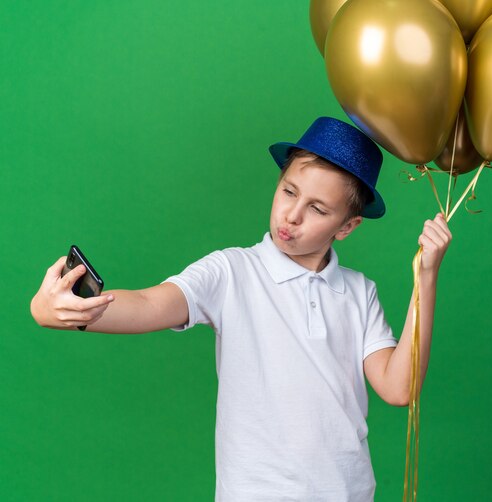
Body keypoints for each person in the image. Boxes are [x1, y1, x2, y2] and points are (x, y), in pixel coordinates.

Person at [30, 116, 452, 501]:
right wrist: (73, 309)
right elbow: (148, 303)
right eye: (289, 191)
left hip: (347, 492)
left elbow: (399, 388)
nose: (292, 215)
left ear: (346, 226)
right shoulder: (232, 271)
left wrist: (425, 277)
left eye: (318, 209)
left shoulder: (360, 292)